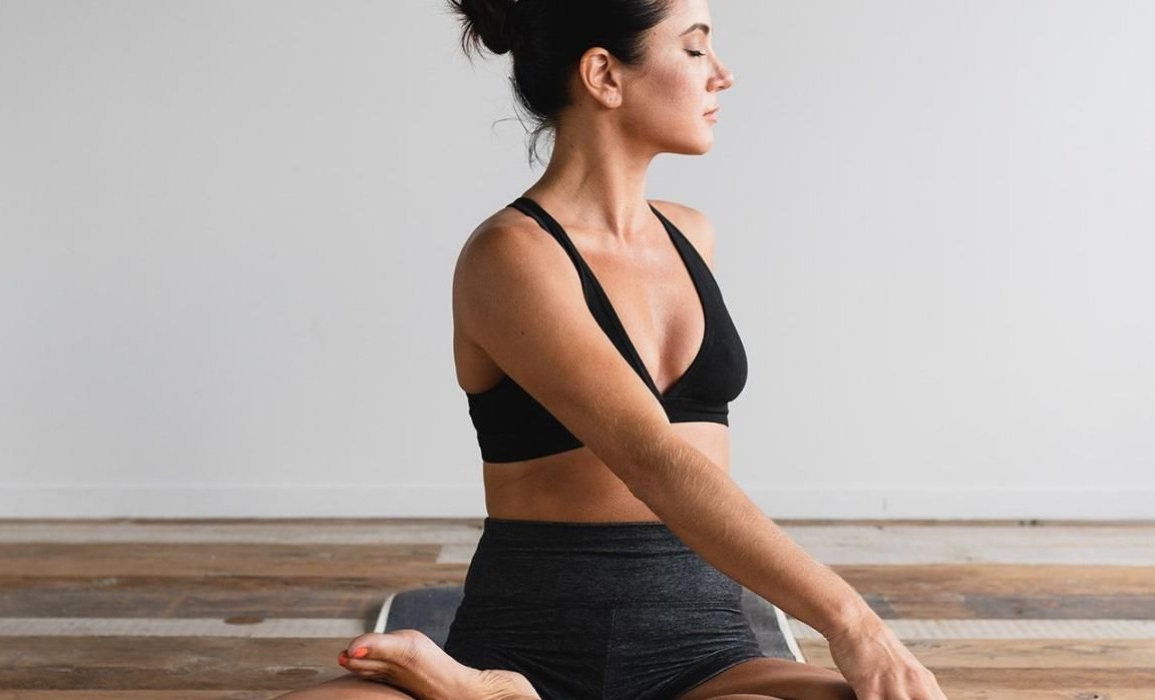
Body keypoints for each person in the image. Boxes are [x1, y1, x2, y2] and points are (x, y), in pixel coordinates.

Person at [274, 0, 950, 698]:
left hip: (703, 654)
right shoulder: (511, 256)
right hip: (530, 639)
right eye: (694, 49)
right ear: (603, 75)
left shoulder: (694, 237)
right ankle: (497, 689)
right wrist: (855, 623)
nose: (722, 75)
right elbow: (651, 458)